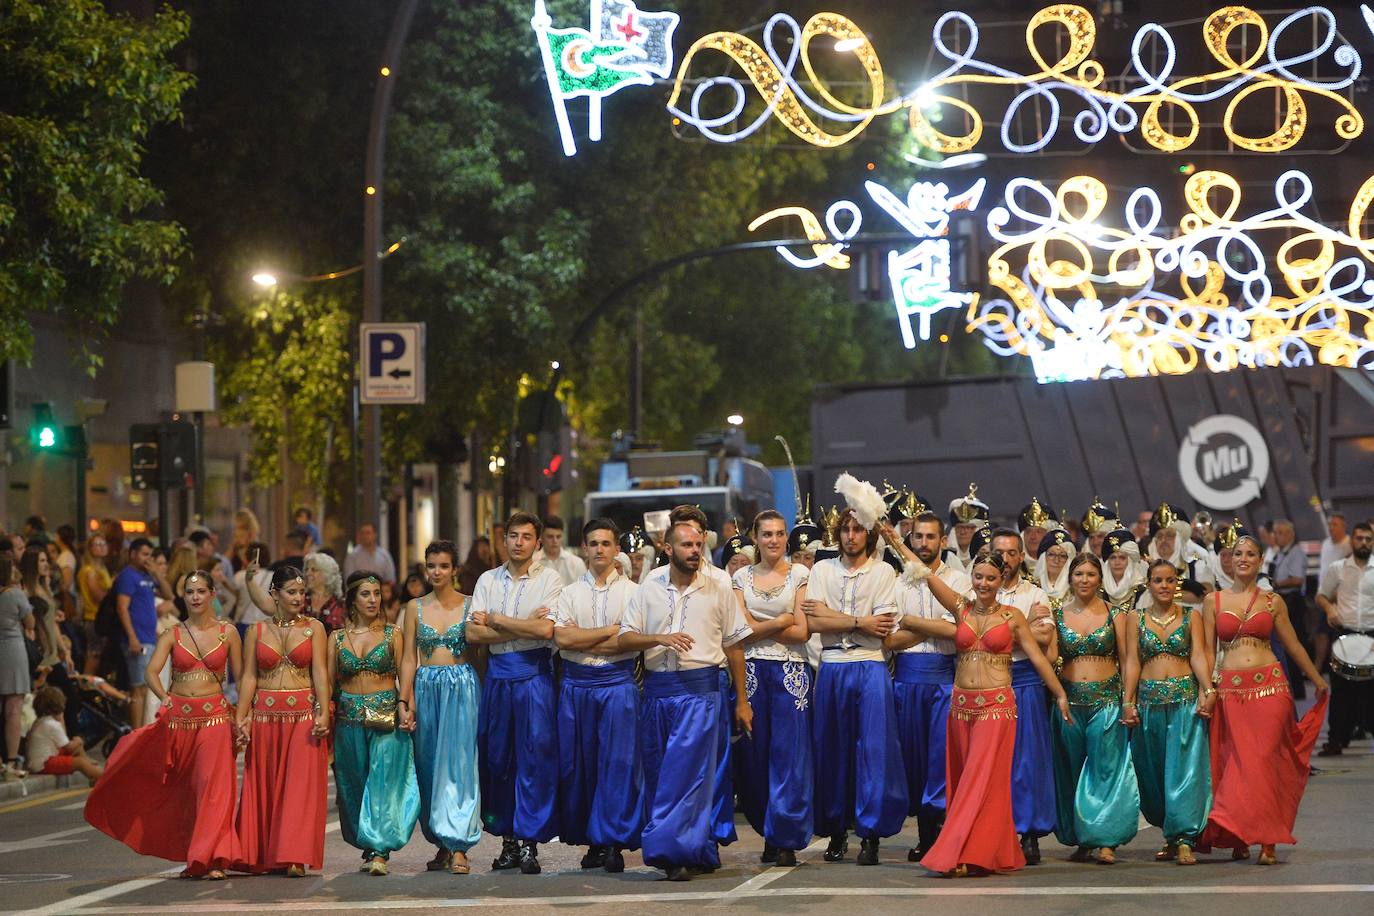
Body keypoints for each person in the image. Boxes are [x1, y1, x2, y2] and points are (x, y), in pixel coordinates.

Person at [882, 533, 1071, 877]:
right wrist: (893, 537)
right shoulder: (960, 607)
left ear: (1002, 581)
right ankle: (981, 851)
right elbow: (922, 571)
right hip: (960, 707)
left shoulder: (1013, 617)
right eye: (978, 577)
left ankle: (954, 852)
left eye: (990, 578)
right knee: (966, 780)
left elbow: (1039, 659)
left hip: (997, 708)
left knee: (979, 780)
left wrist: (1058, 693)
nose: (983, 584)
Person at [618, 514, 753, 881]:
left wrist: (742, 701)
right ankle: (696, 847)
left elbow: (735, 644)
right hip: (658, 693)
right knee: (662, 774)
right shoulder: (649, 585)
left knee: (688, 777)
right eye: (686, 545)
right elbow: (625, 638)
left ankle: (670, 852)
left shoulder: (719, 585)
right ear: (667, 548)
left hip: (701, 692)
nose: (695, 551)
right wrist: (658, 638)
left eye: (698, 545)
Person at [85, 572, 244, 879]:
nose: (195, 597)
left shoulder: (229, 633)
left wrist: (244, 715)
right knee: (185, 791)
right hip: (179, 721)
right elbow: (151, 672)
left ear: (213, 594)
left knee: (213, 789)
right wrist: (164, 697)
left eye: (201, 591)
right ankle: (197, 853)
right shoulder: (173, 633)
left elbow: (243, 676)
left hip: (214, 718)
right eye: (189, 591)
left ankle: (211, 857)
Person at [1199, 529, 1329, 864]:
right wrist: (1207, 690)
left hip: (1270, 689)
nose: (1242, 559)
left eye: (1249, 555)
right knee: (1234, 767)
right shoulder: (1212, 601)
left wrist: (1317, 678)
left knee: (1263, 764)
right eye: (1236, 554)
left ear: (1260, 561)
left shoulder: (1273, 601)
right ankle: (1239, 833)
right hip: (1230, 693)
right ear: (1228, 560)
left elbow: (1294, 645)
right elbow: (1207, 653)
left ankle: (1267, 840)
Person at [802, 508, 907, 866]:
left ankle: (871, 834)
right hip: (832, 666)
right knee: (832, 749)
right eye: (845, 529)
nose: (851, 535)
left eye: (858, 529)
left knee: (873, 751)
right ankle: (835, 830)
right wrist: (859, 620)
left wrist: (839, 619)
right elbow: (814, 621)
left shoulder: (882, 571)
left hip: (871, 665)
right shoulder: (821, 569)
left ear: (869, 534)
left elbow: (883, 626)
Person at [467, 512, 563, 874]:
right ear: (503, 540)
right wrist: (524, 626)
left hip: (535, 677)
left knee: (534, 758)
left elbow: (546, 632)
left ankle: (529, 844)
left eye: (526, 536)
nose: (519, 542)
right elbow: (472, 635)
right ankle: (507, 841)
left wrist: (498, 620)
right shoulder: (488, 579)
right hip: (498, 678)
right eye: (512, 536)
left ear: (537, 542)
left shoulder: (550, 579)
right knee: (497, 759)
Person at [551, 519, 643, 873]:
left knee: (617, 765)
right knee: (580, 764)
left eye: (606, 543)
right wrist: (610, 632)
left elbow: (630, 641)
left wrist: (585, 635)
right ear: (584, 549)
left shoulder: (633, 592)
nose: (600, 549)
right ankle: (591, 839)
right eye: (594, 543)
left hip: (618, 683)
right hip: (576, 684)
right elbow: (563, 641)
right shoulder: (570, 593)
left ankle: (614, 841)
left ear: (617, 549)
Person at [883, 511, 970, 861]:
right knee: (913, 759)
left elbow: (961, 629)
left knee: (941, 757)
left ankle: (941, 834)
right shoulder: (898, 582)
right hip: (906, 679)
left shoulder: (960, 580)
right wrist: (935, 625)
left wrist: (914, 623)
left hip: (945, 679)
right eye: (917, 537)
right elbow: (890, 640)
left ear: (943, 541)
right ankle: (923, 833)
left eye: (930, 537)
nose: (923, 543)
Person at [234, 565, 330, 877]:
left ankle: (293, 855)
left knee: (298, 789)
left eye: (302, 592)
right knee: (267, 787)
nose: (298, 598)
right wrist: (241, 717)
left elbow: (320, 673)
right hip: (264, 718)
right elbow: (249, 677)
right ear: (274, 594)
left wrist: (324, 710)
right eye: (291, 592)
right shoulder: (256, 631)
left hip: (302, 716)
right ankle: (264, 853)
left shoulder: (314, 628)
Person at [731, 510, 811, 867]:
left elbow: (802, 632)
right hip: (749, 673)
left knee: (789, 757)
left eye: (780, 534)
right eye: (767, 534)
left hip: (791, 671)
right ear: (755, 537)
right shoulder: (739, 576)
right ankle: (767, 829)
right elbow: (738, 632)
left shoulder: (801, 574)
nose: (774, 540)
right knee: (754, 756)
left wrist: (758, 624)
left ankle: (785, 837)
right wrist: (780, 620)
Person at [1049, 553, 1139, 864]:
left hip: (1107, 701)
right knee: (1072, 770)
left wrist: (1128, 700)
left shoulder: (1117, 614)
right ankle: (1082, 836)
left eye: (1090, 574)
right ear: (1070, 579)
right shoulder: (1057, 614)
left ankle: (1107, 838)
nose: (1084, 580)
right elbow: (1049, 659)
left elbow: (1128, 659)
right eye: (1078, 574)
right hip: (1069, 703)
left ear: (1100, 580)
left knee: (1106, 770)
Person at [1123, 559, 1214, 866]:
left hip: (1184, 702)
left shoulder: (1192, 616)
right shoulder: (1135, 618)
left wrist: (1208, 690)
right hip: (1148, 704)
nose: (1164, 586)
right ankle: (1170, 835)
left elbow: (1198, 655)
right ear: (1148, 584)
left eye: (1169, 580)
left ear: (1177, 583)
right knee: (1152, 775)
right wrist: (1128, 700)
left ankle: (1186, 837)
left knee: (1183, 772)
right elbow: (1132, 661)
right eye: (1158, 580)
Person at [330, 571, 420, 875]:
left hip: (386, 717)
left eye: (377, 593)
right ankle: (368, 845)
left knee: (383, 784)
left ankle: (380, 849)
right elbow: (329, 683)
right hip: (348, 720)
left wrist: (405, 705)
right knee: (353, 785)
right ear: (352, 599)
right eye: (366, 594)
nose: (373, 600)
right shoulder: (337, 638)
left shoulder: (393, 634)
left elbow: (406, 671)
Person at [402, 540, 482, 875]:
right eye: (431, 565)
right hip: (425, 685)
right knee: (428, 766)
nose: (436, 572)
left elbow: (483, 649)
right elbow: (408, 657)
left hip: (462, 687)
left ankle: (460, 845)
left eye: (443, 566)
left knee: (459, 766)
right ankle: (441, 842)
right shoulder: (413, 607)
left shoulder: (471, 604)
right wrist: (405, 700)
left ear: (455, 570)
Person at [988, 527, 1056, 864]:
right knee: (993, 762)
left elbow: (1045, 642)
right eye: (999, 552)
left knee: (1028, 761)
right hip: (990, 681)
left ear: (1021, 557)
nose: (1005, 558)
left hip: (1027, 682)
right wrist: (1024, 629)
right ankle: (996, 832)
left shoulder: (1036, 594)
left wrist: (999, 634)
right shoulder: (981, 592)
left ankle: (1029, 834)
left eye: (1012, 552)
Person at [1316, 520, 1374, 757]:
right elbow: (1321, 596)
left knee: (1371, 692)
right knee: (1341, 692)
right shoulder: (1337, 568)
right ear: (1352, 540)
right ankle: (1337, 739)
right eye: (1359, 538)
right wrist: (1330, 610)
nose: (1363, 543)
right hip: (1345, 635)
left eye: (1368, 539)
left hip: (1371, 636)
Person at [112, 538, 158, 728]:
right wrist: (132, 637)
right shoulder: (127, 576)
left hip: (149, 637)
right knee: (138, 687)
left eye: (150, 555)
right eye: (144, 554)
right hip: (137, 639)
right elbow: (122, 607)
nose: (148, 559)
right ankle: (136, 733)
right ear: (133, 554)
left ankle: (141, 731)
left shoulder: (147, 576)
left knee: (145, 687)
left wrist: (155, 572)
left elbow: (170, 594)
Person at [1267, 519, 1310, 700]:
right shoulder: (1280, 553)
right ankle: (1292, 685)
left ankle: (1298, 689)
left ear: (1291, 534)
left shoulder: (1296, 553)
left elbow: (1297, 579)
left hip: (1292, 602)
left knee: (1292, 644)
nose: (1278, 536)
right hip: (1283, 599)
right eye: (1276, 533)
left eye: (1282, 532)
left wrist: (1276, 583)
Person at [1, 557, 35, 780]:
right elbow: (30, 623)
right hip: (13, 652)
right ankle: (11, 763)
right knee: (13, 709)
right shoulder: (15, 594)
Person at [26, 685, 103, 783]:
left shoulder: (42, 721)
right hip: (44, 763)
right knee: (80, 762)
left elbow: (63, 740)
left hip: (38, 761)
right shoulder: (52, 725)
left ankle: (90, 768)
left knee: (77, 749)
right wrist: (79, 741)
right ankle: (101, 777)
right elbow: (69, 747)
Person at [79, 532, 113, 674]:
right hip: (94, 617)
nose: (102, 547)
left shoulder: (102, 568)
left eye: (103, 543)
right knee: (94, 654)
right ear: (90, 548)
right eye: (98, 544)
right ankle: (87, 684)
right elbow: (98, 595)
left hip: (100, 617)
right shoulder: (90, 571)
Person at [535, 515, 587, 586]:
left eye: (558, 537)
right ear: (541, 537)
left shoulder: (576, 563)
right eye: (550, 537)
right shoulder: (533, 562)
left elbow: (584, 592)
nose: (555, 541)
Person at [947, 484, 990, 569]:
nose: (963, 532)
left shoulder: (988, 557)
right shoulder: (943, 558)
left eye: (969, 528)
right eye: (960, 527)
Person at [1101, 528, 1146, 609]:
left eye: (1122, 558)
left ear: (1130, 562)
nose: (1117, 562)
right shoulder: (1099, 591)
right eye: (1113, 558)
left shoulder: (1142, 591)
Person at [304, 552, 346, 630]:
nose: (307, 573)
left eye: (313, 570)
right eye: (306, 569)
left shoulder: (341, 605)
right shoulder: (300, 601)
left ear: (327, 574)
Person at [1034, 529, 1075, 608]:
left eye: (1062, 556)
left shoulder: (1075, 588)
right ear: (1044, 557)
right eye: (1051, 555)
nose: (1056, 560)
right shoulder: (1032, 586)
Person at [230, 508, 261, 572]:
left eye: (237, 521)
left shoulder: (253, 538)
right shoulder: (238, 533)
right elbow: (227, 558)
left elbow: (252, 566)